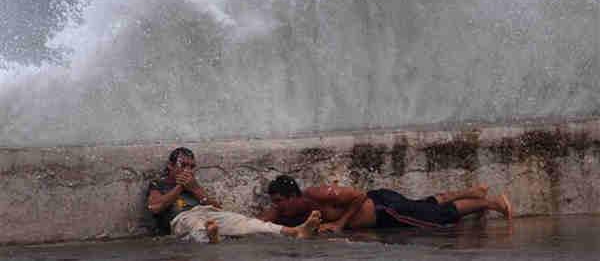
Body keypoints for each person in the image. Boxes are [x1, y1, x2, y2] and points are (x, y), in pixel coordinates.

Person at [147, 148, 321, 243]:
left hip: (208, 213)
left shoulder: (193, 184)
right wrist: (179, 187)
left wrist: (195, 189)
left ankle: (296, 231)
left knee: (245, 222)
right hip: (182, 218)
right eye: (183, 165)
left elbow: (216, 207)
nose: (188, 170)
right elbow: (155, 207)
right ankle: (211, 239)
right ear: (170, 166)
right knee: (195, 225)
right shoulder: (159, 184)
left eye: (191, 166)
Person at [259, 175, 512, 233]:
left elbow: (358, 195)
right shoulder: (287, 209)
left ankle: (491, 204)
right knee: (426, 204)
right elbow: (263, 220)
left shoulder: (317, 194)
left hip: (386, 211)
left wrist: (339, 223)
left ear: (293, 196)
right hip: (384, 203)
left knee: (438, 217)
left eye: (280, 202)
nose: (278, 207)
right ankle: (473, 191)